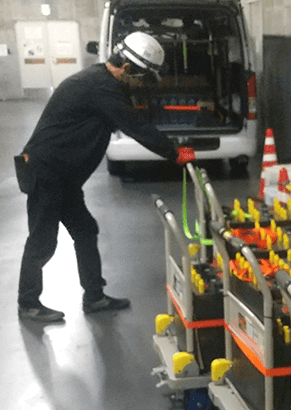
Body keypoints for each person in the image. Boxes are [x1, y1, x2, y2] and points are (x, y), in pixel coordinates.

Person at [14, 32, 196, 322]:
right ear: (126, 68)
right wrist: (173, 153)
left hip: (64, 176)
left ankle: (95, 297)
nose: (142, 85)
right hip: (46, 172)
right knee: (42, 240)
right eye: (141, 78)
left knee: (86, 230)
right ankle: (28, 303)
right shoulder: (100, 87)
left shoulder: (103, 82)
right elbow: (134, 124)